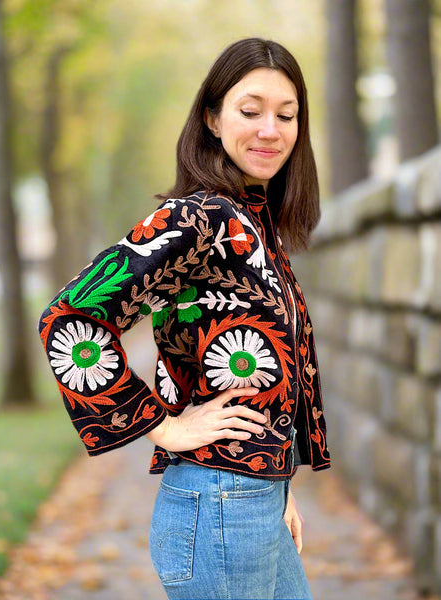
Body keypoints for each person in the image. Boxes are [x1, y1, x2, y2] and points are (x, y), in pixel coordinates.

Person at [39, 37, 330, 600]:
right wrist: (164, 426)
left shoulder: (255, 225)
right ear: (213, 120)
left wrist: (279, 481)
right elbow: (69, 318)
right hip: (220, 507)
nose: (271, 129)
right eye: (250, 111)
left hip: (252, 501)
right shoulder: (199, 219)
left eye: (286, 115)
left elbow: (269, 372)